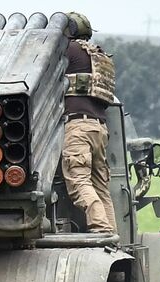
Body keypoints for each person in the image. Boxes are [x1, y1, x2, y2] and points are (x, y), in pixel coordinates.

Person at [62, 12, 117, 234]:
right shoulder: (99, 56)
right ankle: (112, 234)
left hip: (77, 128)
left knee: (79, 181)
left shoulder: (70, 50)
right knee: (101, 187)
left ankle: (101, 229)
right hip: (99, 128)